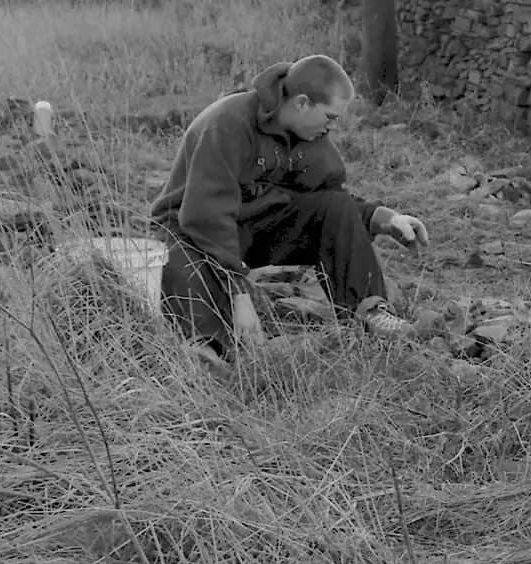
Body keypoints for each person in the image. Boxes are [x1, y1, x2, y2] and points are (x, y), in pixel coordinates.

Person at [149, 55, 429, 363]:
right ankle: (210, 352)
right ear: (302, 103)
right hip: (190, 228)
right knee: (183, 264)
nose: (330, 128)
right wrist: (240, 293)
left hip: (256, 227)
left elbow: (331, 198)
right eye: (330, 118)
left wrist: (385, 219)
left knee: (335, 207)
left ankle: (371, 315)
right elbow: (206, 218)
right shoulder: (228, 123)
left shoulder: (310, 134)